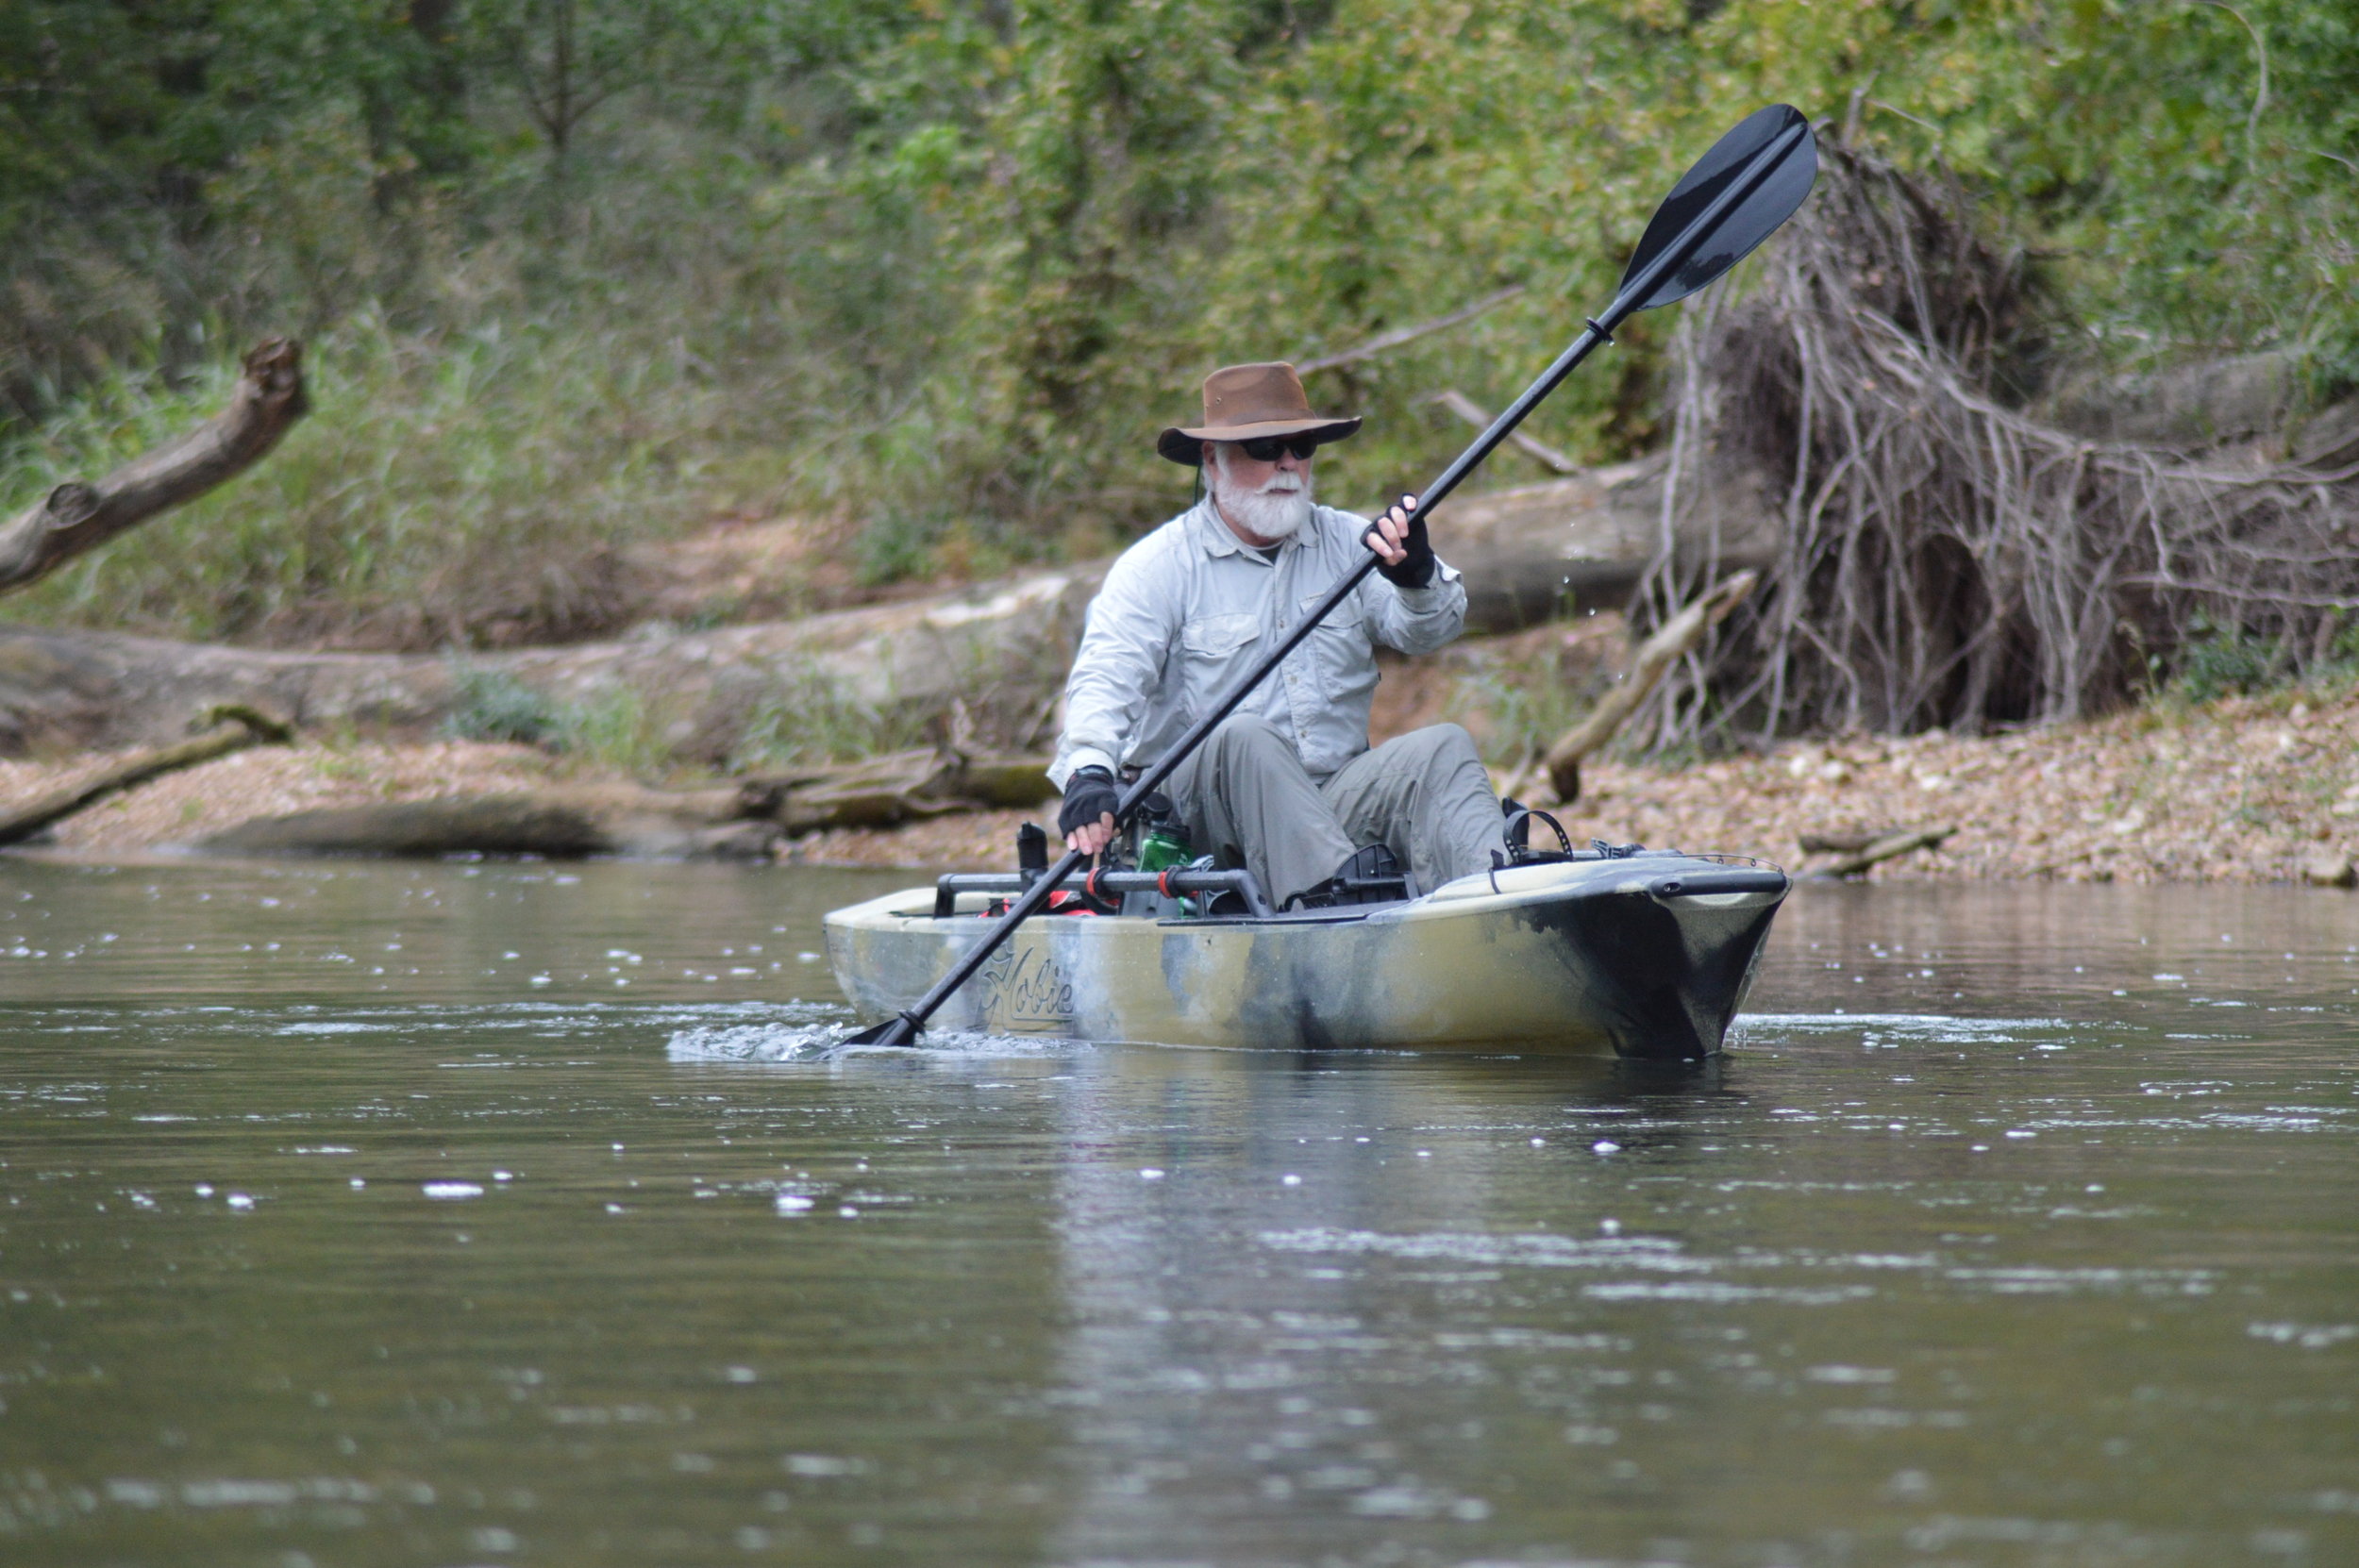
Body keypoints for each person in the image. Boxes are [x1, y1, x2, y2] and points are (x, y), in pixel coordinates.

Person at [1048, 361, 1504, 909]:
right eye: (1264, 448)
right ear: (1212, 464)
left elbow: (1429, 632)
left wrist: (1416, 575)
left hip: (1330, 796)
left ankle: (1499, 908)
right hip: (1202, 824)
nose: (1288, 462)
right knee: (1245, 737)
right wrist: (1090, 773)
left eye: (1301, 444)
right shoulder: (1156, 567)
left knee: (1443, 746)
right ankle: (1337, 914)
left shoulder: (1348, 541)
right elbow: (1104, 681)